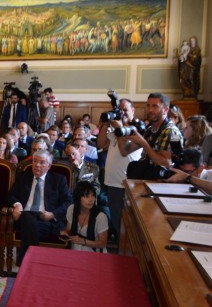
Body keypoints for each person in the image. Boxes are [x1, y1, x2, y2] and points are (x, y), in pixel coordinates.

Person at [6, 150, 72, 266]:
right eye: (35, 161)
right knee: (27, 216)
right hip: (23, 217)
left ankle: (25, 262)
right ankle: (31, 263)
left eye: (42, 162)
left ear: (49, 166)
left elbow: (68, 202)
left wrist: (53, 214)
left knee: (30, 225)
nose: (37, 165)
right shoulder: (23, 177)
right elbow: (10, 195)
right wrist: (17, 204)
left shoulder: (58, 180)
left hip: (45, 219)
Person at [96, 98, 142, 246]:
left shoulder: (137, 128)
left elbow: (124, 151)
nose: (121, 113)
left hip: (127, 183)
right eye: (119, 110)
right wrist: (105, 125)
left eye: (125, 110)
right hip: (112, 182)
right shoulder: (115, 128)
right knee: (116, 219)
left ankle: (128, 250)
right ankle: (121, 249)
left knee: (128, 223)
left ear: (133, 111)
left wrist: (119, 127)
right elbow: (101, 144)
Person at [126, 93, 183, 170]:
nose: (150, 110)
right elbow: (125, 151)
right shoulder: (149, 129)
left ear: (166, 110)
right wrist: (120, 130)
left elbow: (167, 163)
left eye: (155, 106)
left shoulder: (173, 132)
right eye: (148, 105)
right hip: (146, 177)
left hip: (160, 180)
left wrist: (143, 143)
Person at [61, 181, 108, 253]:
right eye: (86, 196)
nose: (91, 199)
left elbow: (103, 243)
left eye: (93, 195)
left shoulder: (100, 216)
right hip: (74, 251)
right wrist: (65, 233)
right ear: (78, 198)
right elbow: (68, 229)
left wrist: (84, 241)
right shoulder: (71, 209)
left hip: (95, 254)